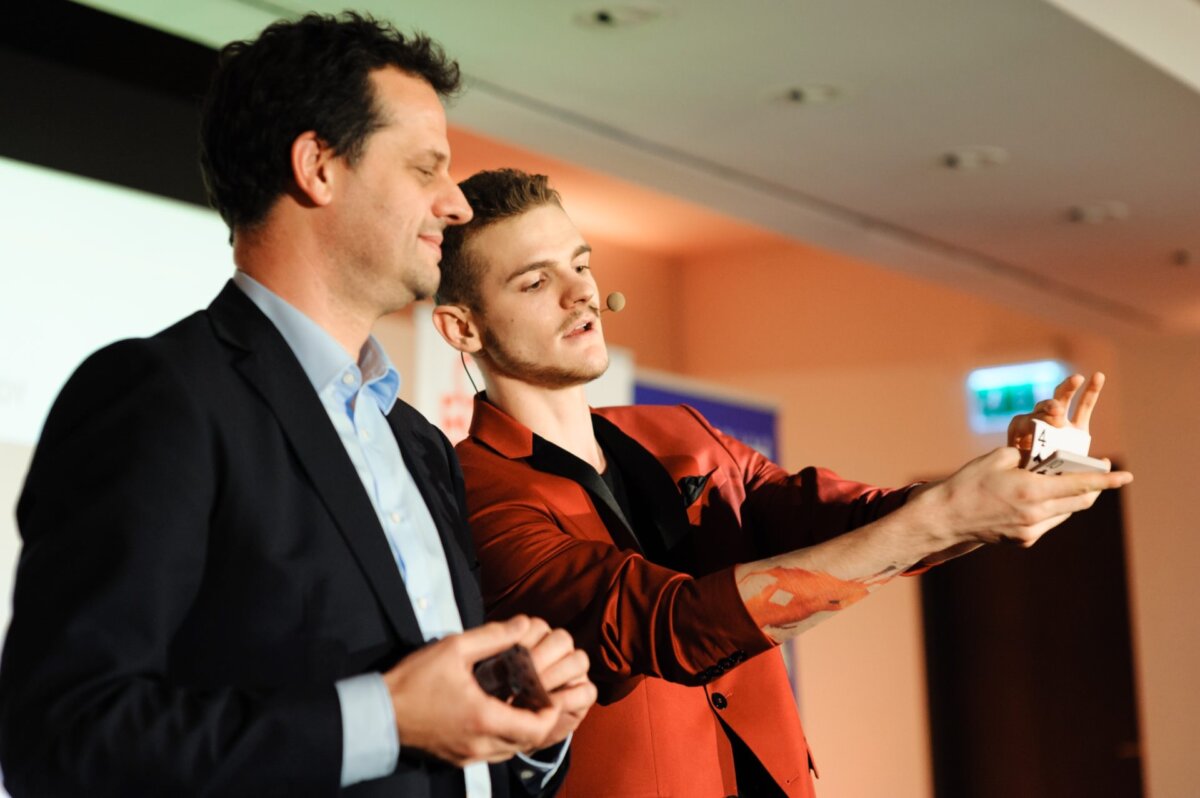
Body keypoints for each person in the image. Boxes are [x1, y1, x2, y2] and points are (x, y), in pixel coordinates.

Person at [0, 16, 595, 798]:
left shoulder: (419, 445)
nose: (455, 204)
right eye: (427, 169)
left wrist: (529, 734)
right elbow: (63, 737)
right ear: (318, 167)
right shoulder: (161, 397)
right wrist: (387, 718)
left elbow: (449, 745)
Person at [429, 168, 1134, 797]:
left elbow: (858, 521)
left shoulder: (679, 433)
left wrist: (1004, 488)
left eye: (580, 265)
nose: (581, 293)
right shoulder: (474, 490)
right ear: (462, 328)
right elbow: (670, 626)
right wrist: (947, 516)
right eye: (535, 280)